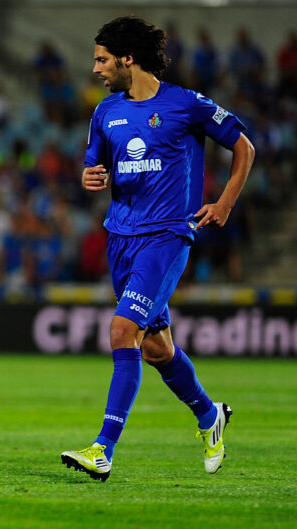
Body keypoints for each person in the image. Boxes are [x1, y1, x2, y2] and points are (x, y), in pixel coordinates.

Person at [61, 17, 254, 482]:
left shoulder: (187, 105)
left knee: (122, 330)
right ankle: (210, 415)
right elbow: (97, 166)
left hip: (167, 236)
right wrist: (92, 177)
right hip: (121, 237)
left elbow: (243, 147)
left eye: (102, 60)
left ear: (129, 59)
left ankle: (102, 449)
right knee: (156, 348)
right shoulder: (106, 112)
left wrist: (225, 203)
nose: (95, 69)